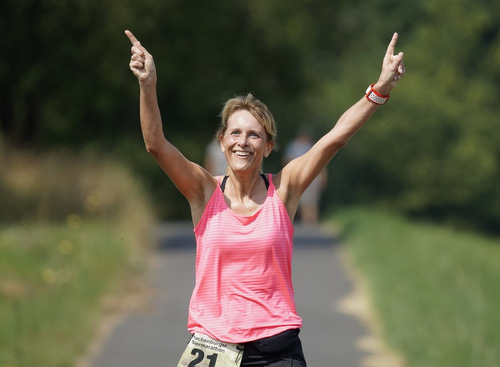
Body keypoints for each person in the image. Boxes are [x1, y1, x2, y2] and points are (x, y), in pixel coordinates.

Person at [125, 29, 405, 367]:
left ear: (268, 146)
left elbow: (334, 139)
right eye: (236, 133)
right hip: (213, 347)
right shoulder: (203, 191)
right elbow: (156, 145)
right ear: (222, 142)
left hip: (277, 350)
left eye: (254, 134)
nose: (243, 142)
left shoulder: (284, 189)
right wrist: (147, 85)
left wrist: (380, 90)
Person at [283, 128, 326, 225]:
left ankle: (311, 223)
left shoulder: (311, 146)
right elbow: (287, 161)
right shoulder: (294, 146)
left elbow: (322, 164)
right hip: (300, 177)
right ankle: (308, 223)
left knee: (312, 201)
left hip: (313, 178)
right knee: (304, 201)